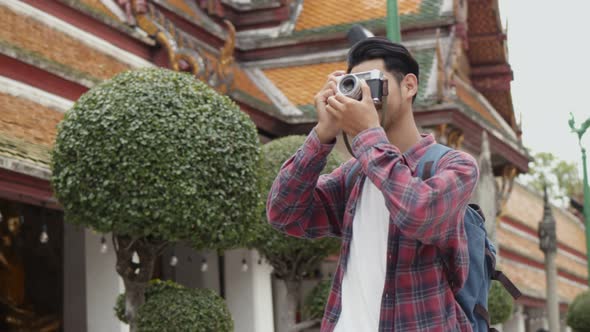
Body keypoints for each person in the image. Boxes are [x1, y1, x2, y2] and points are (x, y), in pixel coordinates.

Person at [266, 37, 479, 331]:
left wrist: (367, 133)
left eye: (374, 84)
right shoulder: (354, 175)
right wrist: (323, 132)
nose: (367, 97)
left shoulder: (455, 166)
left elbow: (419, 215)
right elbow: (283, 213)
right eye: (357, 86)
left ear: (409, 86)